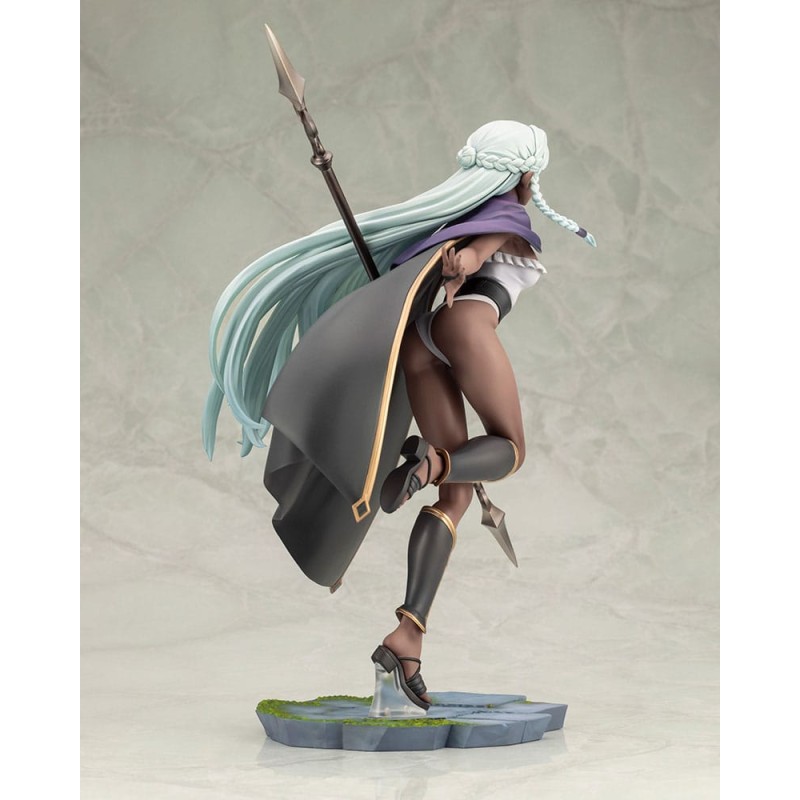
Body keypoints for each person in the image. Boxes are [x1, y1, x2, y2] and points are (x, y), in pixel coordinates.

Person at [202, 120, 595, 714]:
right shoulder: (507, 213)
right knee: (510, 449)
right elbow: (487, 241)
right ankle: (429, 462)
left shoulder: (452, 217)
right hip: (465, 328)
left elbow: (462, 251)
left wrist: (458, 258)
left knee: (455, 500)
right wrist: (469, 258)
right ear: (523, 172)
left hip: (422, 344)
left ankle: (407, 636)